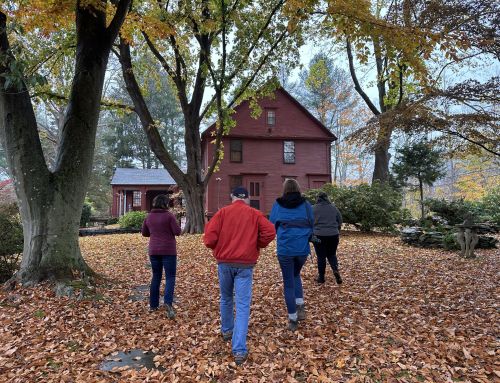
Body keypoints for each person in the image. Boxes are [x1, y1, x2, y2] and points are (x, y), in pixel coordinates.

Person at [204, 186, 276, 365]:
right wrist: (255, 244)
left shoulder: (222, 213)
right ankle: (239, 349)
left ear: (232, 197)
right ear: (247, 198)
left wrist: (219, 249)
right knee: (242, 304)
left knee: (226, 298)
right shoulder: (254, 214)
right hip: (245, 264)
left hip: (225, 263)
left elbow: (209, 239)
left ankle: (227, 330)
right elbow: (270, 232)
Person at [269, 179, 313, 331]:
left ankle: (293, 319)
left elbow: (271, 226)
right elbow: (312, 223)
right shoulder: (306, 205)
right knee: (296, 274)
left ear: (285, 189)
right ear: (298, 188)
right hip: (302, 249)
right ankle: (300, 304)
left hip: (285, 250)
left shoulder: (278, 204)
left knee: (288, 281)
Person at [141, 194, 181, 318]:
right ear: (165, 204)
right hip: (168, 250)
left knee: (156, 276)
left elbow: (144, 233)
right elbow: (177, 232)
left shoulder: (149, 216)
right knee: (170, 277)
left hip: (153, 250)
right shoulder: (169, 216)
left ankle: (153, 305)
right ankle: (168, 303)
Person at [312, 192, 343, 285]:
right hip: (333, 235)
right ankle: (335, 270)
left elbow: (308, 221)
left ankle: (321, 277)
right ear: (327, 198)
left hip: (318, 235)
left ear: (317, 198)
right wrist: (335, 228)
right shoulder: (334, 208)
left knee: (321, 256)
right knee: (332, 254)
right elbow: (340, 220)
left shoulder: (313, 208)